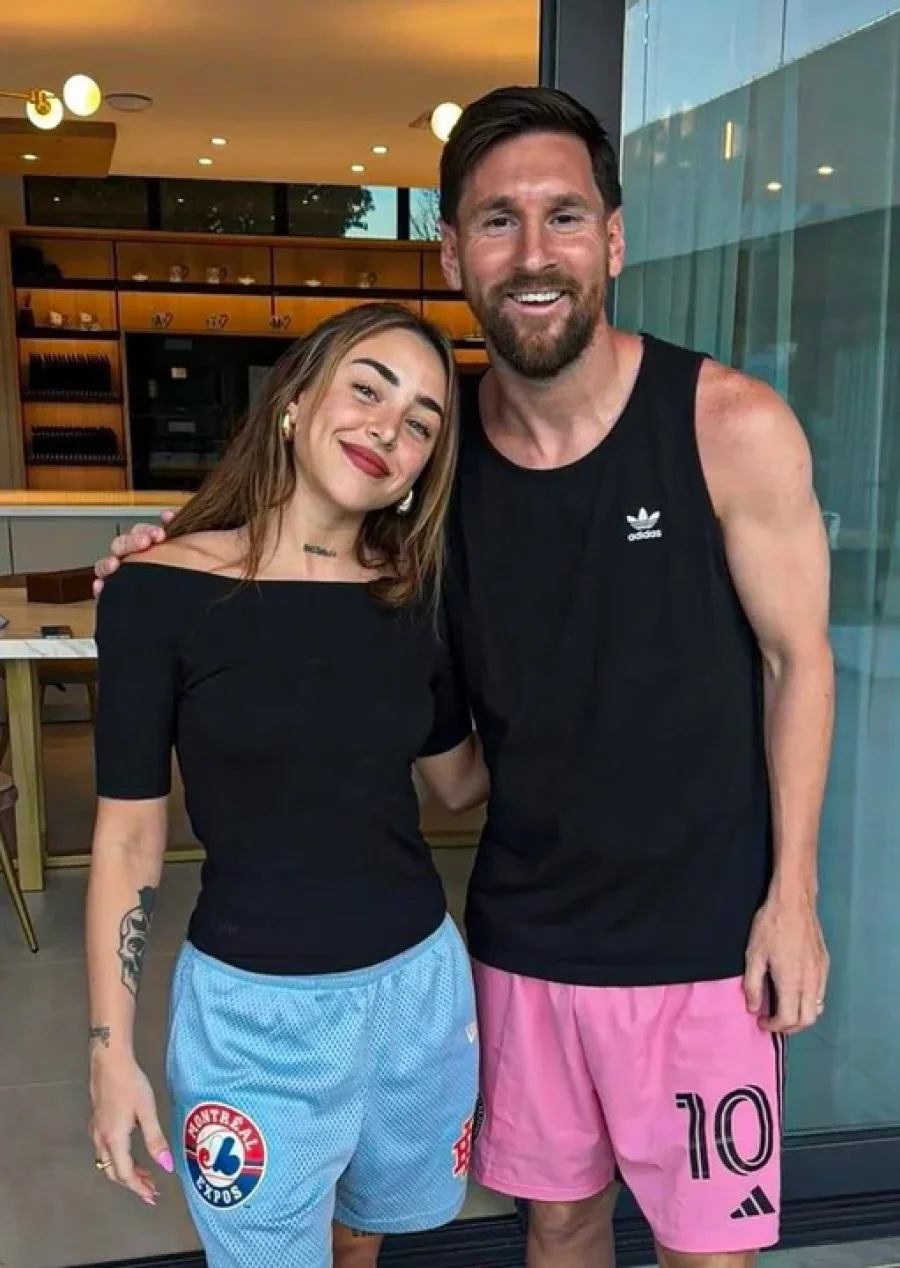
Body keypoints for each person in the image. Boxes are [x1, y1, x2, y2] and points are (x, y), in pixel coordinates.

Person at [94, 86, 835, 1268]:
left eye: (564, 216)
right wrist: (165, 563)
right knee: (558, 1221)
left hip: (702, 936)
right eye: (497, 220)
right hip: (518, 930)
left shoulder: (729, 425)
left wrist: (792, 899)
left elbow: (802, 661)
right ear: (452, 248)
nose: (533, 252)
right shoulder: (432, 472)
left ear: (614, 238)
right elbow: (306, 567)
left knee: (711, 1252)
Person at [86, 302, 488, 1268]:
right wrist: (110, 1052)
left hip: (416, 993)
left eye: (424, 421)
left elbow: (461, 784)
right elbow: (130, 839)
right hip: (254, 1019)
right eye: (367, 388)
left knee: (362, 1241)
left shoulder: (414, 598)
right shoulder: (157, 592)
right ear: (295, 403)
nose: (390, 428)